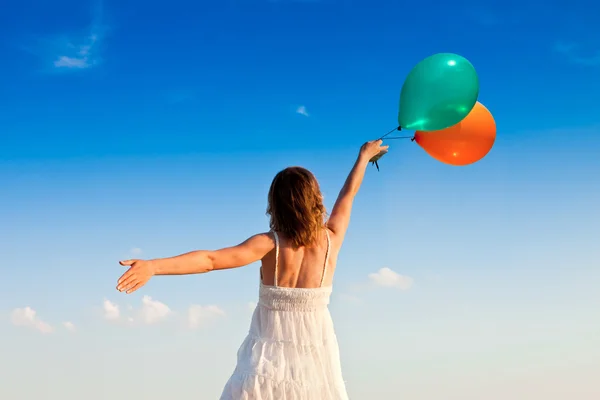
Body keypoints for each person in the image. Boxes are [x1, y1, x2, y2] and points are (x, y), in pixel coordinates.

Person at [115, 140, 389, 399]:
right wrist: (363, 157)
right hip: (315, 356)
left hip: (266, 357)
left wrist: (153, 266)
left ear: (275, 204)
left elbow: (210, 260)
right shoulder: (332, 238)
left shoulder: (269, 244)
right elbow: (348, 194)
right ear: (315, 198)